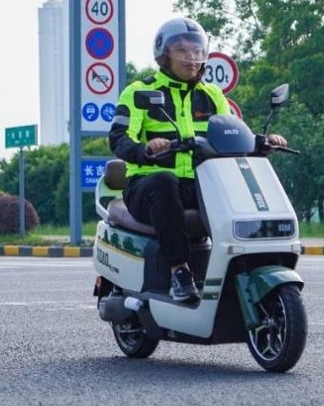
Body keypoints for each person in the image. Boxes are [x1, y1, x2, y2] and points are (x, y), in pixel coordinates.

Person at [108, 17, 287, 302]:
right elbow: (118, 138)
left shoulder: (212, 95)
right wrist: (146, 150)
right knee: (164, 181)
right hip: (147, 186)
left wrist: (261, 142)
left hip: (200, 185)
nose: (192, 58)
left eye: (197, 51)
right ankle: (180, 272)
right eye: (182, 50)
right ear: (164, 54)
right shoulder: (140, 92)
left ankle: (243, 266)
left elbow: (231, 133)